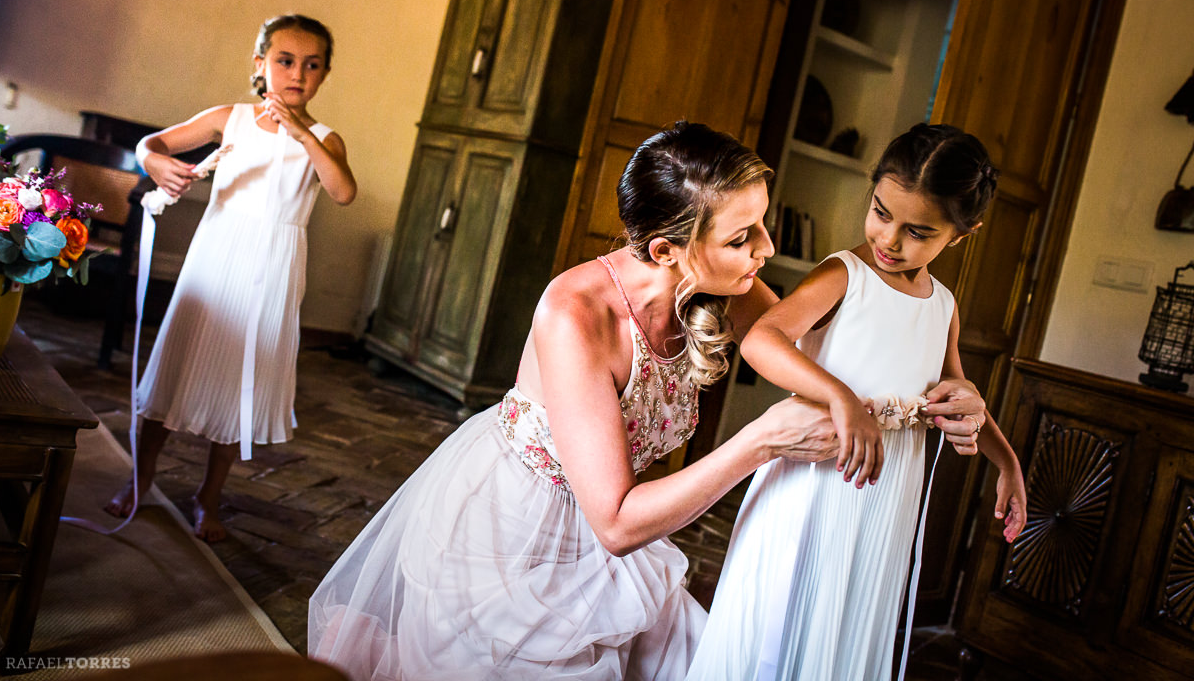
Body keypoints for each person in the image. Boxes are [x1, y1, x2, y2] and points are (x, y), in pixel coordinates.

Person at [307, 121, 986, 680]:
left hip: (619, 542)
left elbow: (824, 367)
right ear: (667, 249)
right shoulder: (576, 315)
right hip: (518, 542)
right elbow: (619, 523)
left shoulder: (733, 284)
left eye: (761, 226)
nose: (768, 250)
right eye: (742, 237)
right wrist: (759, 443)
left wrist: (939, 394)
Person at [685, 123, 1029, 681]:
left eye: (918, 231)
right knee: (784, 617)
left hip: (888, 490)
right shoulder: (845, 274)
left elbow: (956, 396)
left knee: (845, 624)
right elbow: (762, 339)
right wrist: (838, 395)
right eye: (881, 212)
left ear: (962, 236)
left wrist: (1005, 461)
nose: (890, 240)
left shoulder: (943, 305)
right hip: (819, 480)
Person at [104, 14, 356, 542]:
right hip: (217, 257)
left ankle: (209, 496)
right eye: (285, 61)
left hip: (273, 267)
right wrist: (153, 163)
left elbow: (342, 192)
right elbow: (153, 143)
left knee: (243, 376)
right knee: (180, 358)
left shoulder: (326, 139)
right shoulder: (230, 118)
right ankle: (142, 474)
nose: (297, 74)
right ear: (260, 65)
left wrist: (302, 132)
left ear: (325, 75)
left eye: (312, 66)